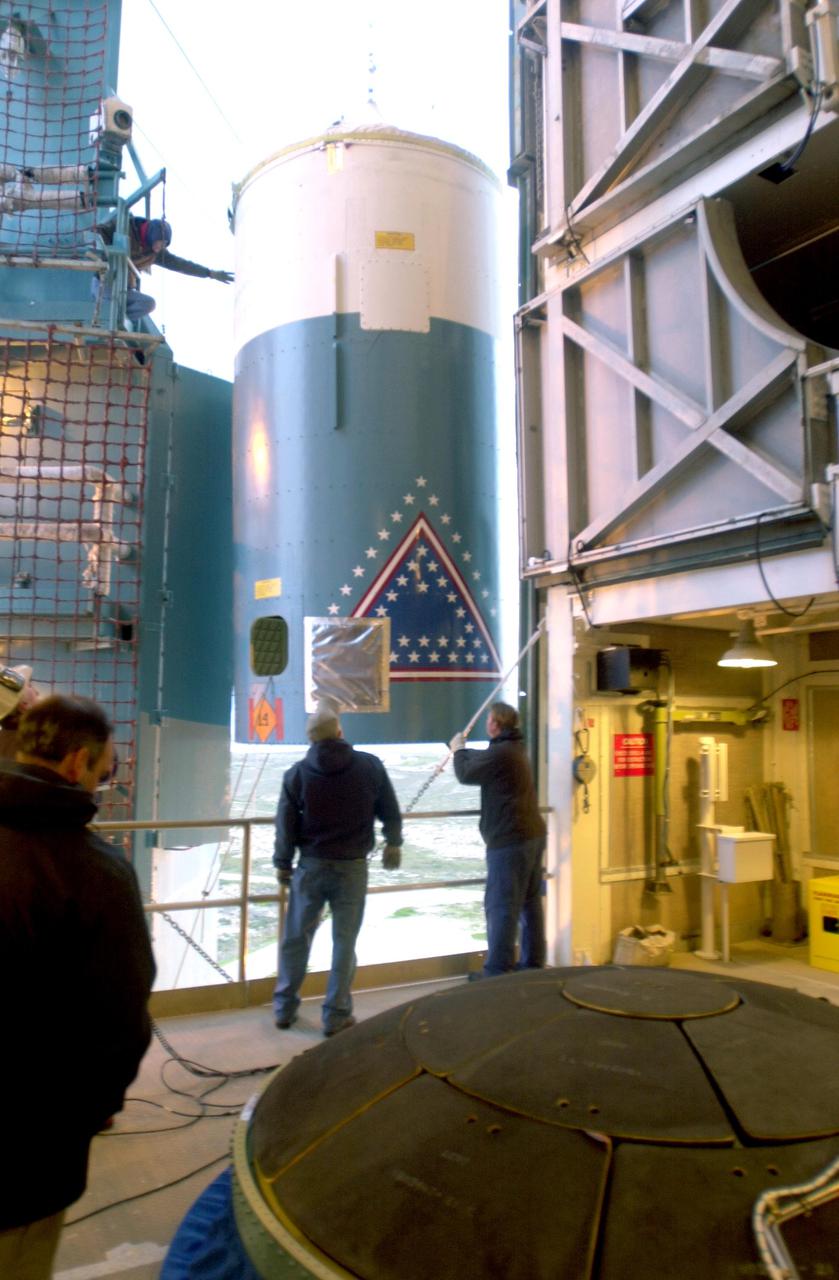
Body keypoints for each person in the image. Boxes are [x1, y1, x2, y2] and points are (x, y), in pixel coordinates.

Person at [0, 695, 156, 1279]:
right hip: (27, 1153)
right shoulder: (98, 874)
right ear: (76, 765)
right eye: (105, 769)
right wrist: (92, 1112)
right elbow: (121, 1021)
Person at [273, 702, 403, 1037]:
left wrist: (282, 864)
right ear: (340, 732)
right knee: (344, 943)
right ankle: (336, 1015)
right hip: (353, 868)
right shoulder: (370, 766)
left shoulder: (297, 774)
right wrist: (393, 842)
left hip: (311, 868)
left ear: (311, 740)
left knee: (296, 939)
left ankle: (284, 1008)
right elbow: (389, 808)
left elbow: (286, 826)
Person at [450, 701, 547, 978]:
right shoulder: (513, 749)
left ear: (495, 724)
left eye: (489, 720)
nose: (487, 723)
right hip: (531, 835)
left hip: (510, 840)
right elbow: (481, 762)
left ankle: (497, 972)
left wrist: (458, 750)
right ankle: (532, 965)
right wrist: (465, 752)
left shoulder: (503, 753)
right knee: (529, 902)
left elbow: (466, 773)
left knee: (501, 905)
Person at [94, 215, 233, 323]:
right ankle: (106, 320)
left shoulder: (155, 254)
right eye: (160, 242)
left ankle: (117, 322)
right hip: (104, 281)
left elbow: (180, 264)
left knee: (148, 304)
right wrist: (104, 252)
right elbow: (98, 232)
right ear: (153, 235)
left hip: (125, 289)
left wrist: (208, 273)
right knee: (110, 306)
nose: (160, 247)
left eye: (164, 245)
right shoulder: (124, 226)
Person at [0, 663, 39, 759]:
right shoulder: (37, 745)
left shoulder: (3, 740)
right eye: (30, 686)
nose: (37, 692)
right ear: (23, 705)